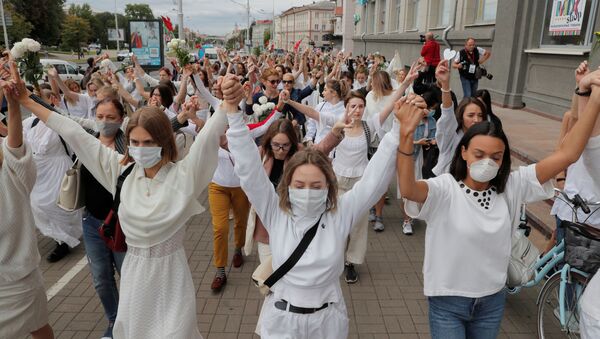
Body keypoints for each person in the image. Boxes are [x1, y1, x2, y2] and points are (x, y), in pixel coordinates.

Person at [13, 68, 240, 337]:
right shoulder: (120, 172)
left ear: (164, 142)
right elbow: (72, 131)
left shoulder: (186, 175)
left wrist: (229, 99)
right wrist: (27, 101)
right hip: (134, 277)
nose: (141, 148)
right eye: (134, 142)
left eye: (148, 142)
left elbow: (213, 129)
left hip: (171, 279)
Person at [395, 64, 600, 338]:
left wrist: (591, 97)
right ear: (464, 152)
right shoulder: (445, 189)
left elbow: (568, 154)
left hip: (491, 301)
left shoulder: (512, 186)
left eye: (496, 156)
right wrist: (406, 136)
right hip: (448, 301)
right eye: (479, 154)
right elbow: (408, 189)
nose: (487, 162)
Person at [225, 74, 400, 339]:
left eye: (316, 186)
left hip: (327, 322)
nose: (307, 192)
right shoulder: (275, 212)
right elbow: (249, 171)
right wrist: (233, 115)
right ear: (287, 186)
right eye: (300, 185)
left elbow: (373, 182)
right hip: (281, 321)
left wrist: (398, 131)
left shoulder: (341, 211)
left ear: (329, 187)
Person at [283, 89, 399, 284]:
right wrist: (290, 102)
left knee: (359, 225)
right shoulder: (337, 122)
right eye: (353, 106)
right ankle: (333, 255)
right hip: (337, 181)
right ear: (346, 107)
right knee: (334, 221)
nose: (357, 110)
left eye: (361, 106)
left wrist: (407, 82)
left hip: (360, 182)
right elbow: (312, 112)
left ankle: (351, 262)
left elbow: (390, 105)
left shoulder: (369, 125)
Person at [0, 68, 54, 339]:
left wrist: (12, 105)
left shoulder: (10, 168)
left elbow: (15, 146)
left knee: (38, 325)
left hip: (16, 276)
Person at [23, 89, 82, 262]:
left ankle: (63, 242)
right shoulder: (30, 122)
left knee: (59, 205)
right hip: (39, 170)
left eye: (39, 100)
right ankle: (60, 237)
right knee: (38, 204)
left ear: (53, 100)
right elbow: (19, 140)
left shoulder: (61, 120)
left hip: (58, 167)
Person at [432, 61, 488, 176]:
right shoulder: (451, 136)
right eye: (470, 115)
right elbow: (447, 114)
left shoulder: (486, 137)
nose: (476, 120)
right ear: (461, 116)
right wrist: (445, 85)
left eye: (480, 115)